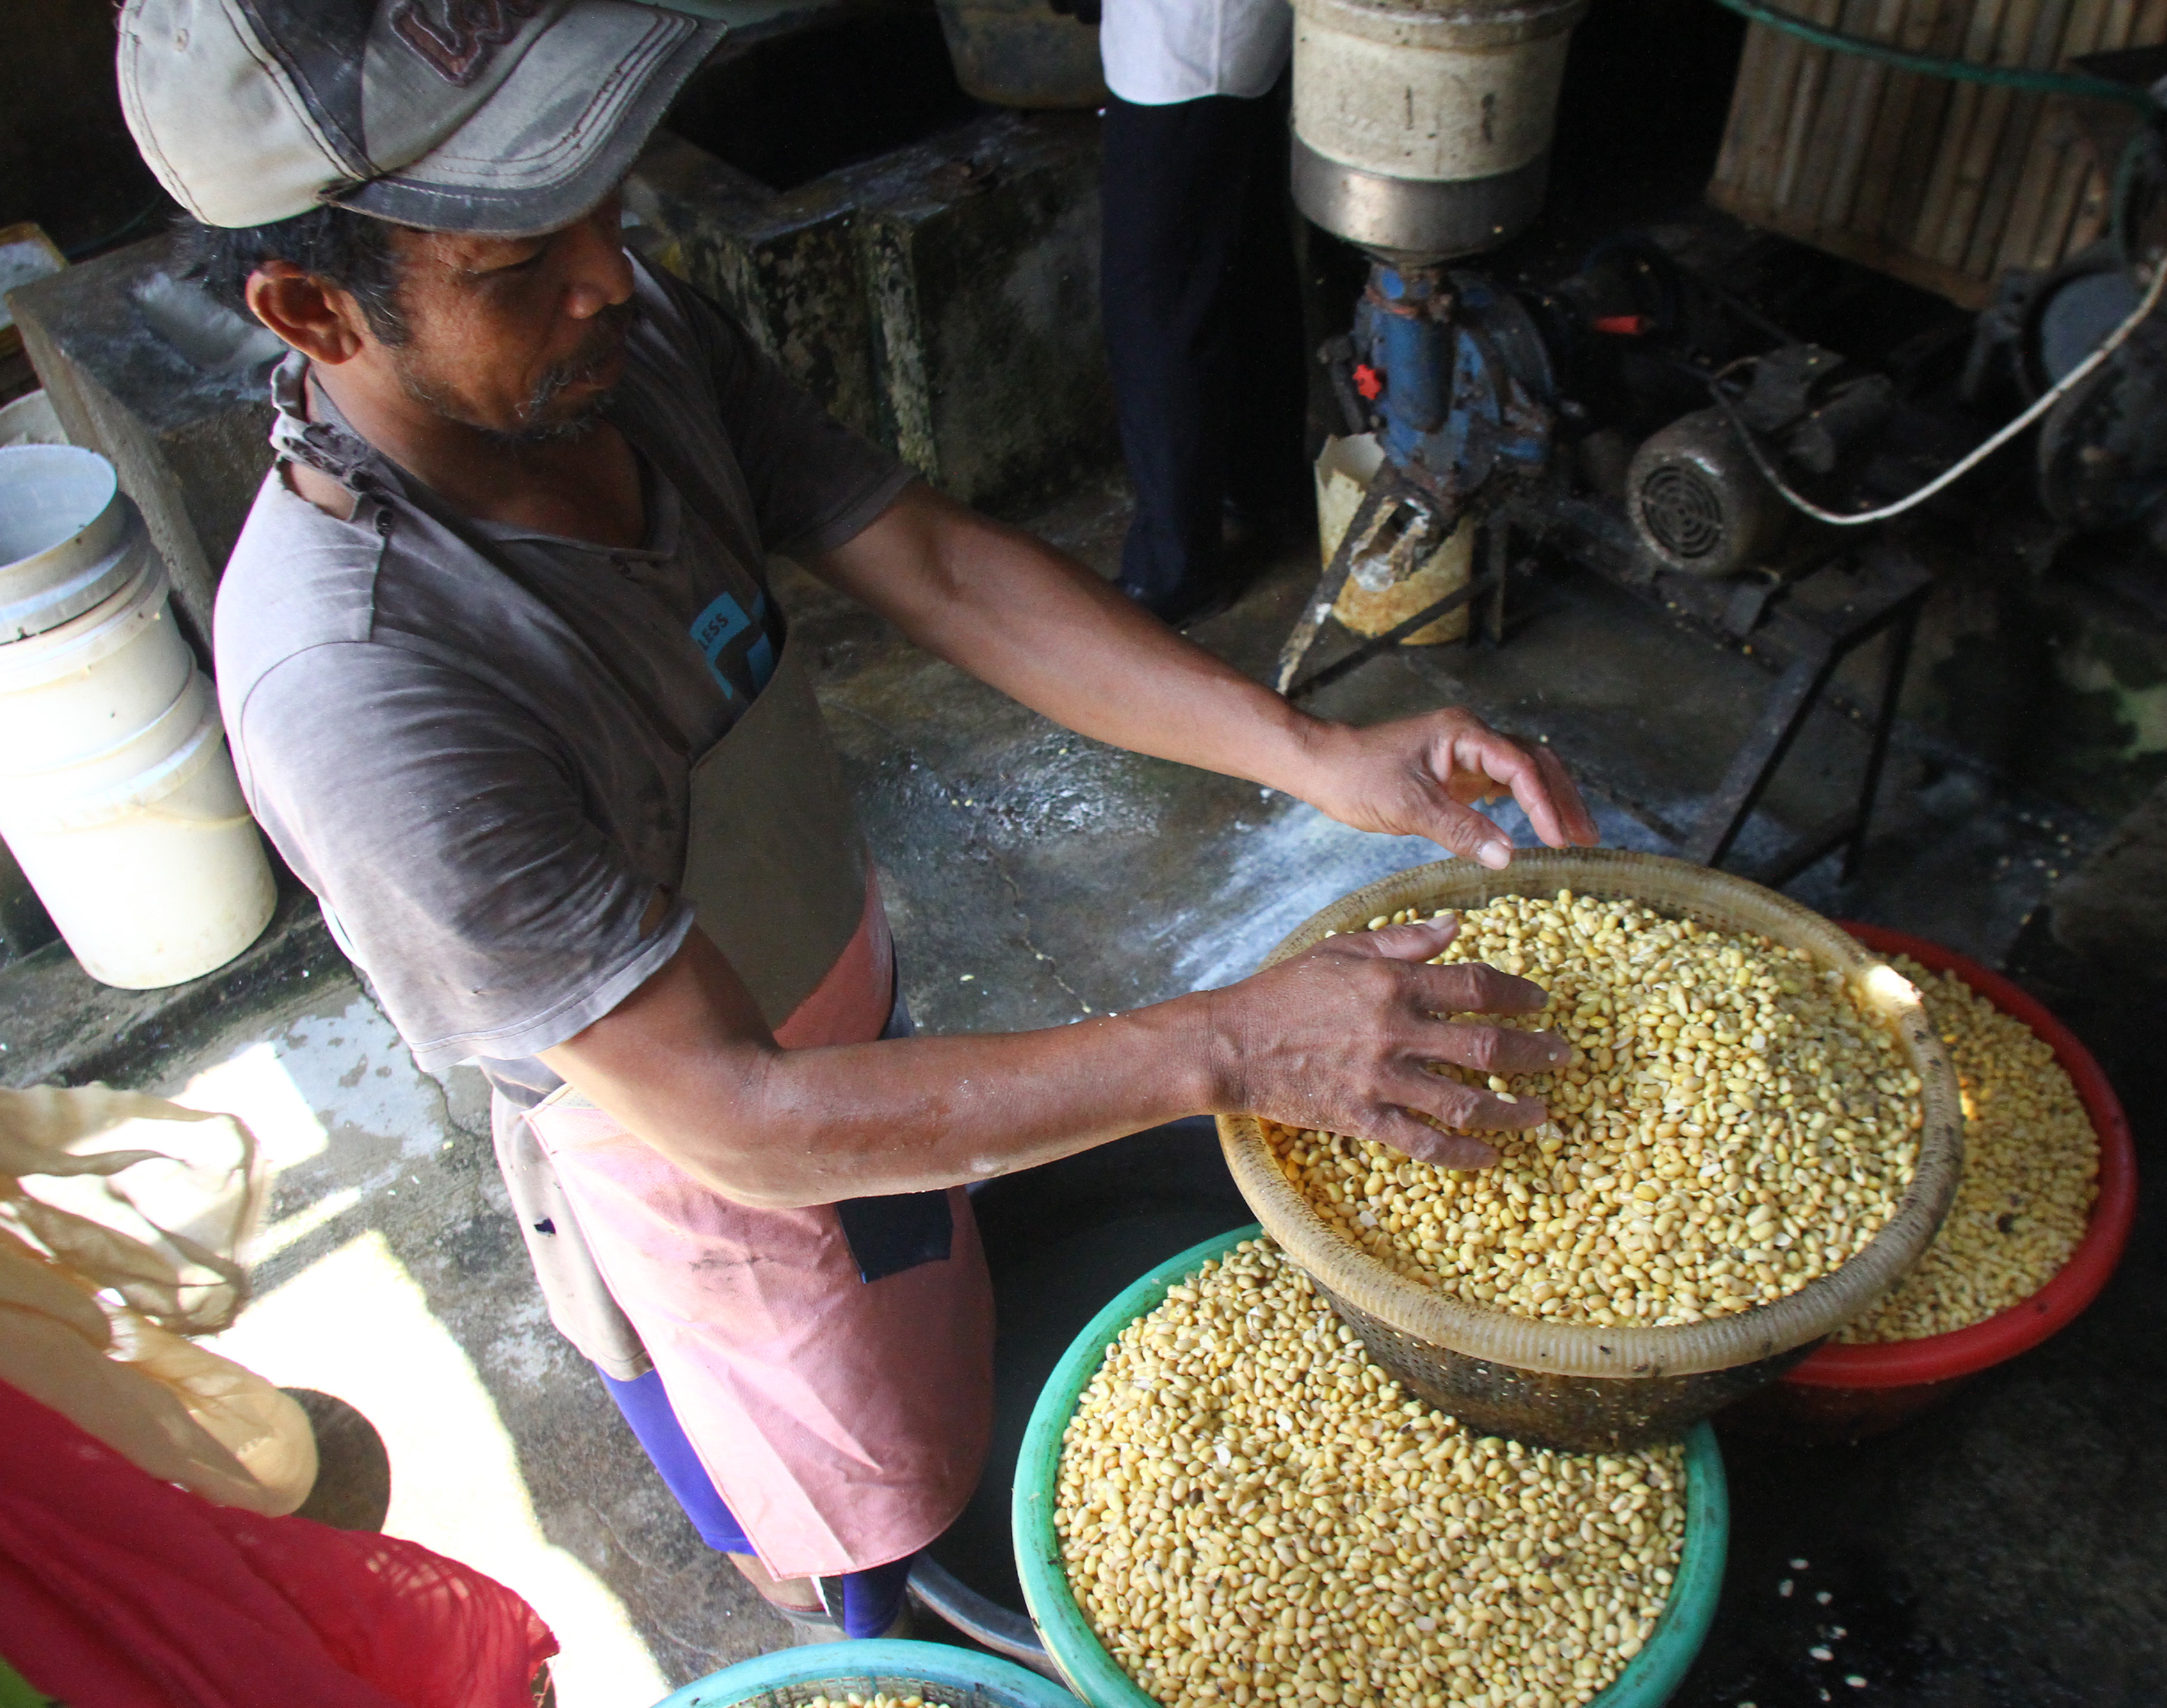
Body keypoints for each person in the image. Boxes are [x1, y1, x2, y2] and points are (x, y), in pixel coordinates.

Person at [117, 0, 1599, 1648]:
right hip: (694, 1150)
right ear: (312, 307)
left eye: (600, 203)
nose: (609, 273)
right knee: (834, 1479)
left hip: (830, 998)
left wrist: (1311, 753)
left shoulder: (619, 349)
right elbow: (741, 1117)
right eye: (519, 261)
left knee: (926, 1272)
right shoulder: (368, 689)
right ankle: (856, 1615)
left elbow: (939, 565)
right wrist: (1236, 1045)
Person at [1097, 0, 1308, 623]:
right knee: (1243, 245)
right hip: (1238, 37)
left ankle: (1174, 569)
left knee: (1155, 302)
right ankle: (1266, 486)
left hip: (1181, 39)